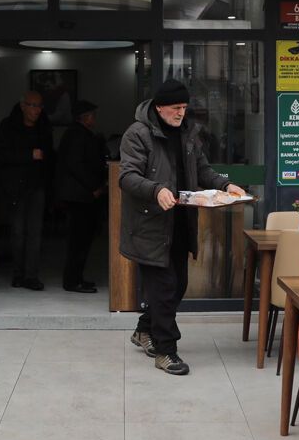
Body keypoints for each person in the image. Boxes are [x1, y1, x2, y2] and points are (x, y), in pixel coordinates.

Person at [119, 79, 245, 376]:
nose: (181, 113)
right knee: (164, 289)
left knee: (177, 286)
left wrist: (225, 185)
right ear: (159, 107)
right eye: (175, 107)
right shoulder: (138, 134)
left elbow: (202, 170)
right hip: (150, 226)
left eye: (184, 107)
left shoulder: (188, 133)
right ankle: (166, 351)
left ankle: (144, 330)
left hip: (180, 223)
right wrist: (156, 190)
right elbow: (127, 176)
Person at [0, 90, 53, 291]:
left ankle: (31, 276)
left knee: (35, 233)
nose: (36, 110)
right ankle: (18, 274)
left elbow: (50, 157)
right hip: (15, 188)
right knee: (17, 233)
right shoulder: (8, 126)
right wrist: (29, 155)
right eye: (32, 105)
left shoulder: (44, 127)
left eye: (39, 106)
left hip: (37, 187)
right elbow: (0, 156)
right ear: (23, 106)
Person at [57, 100, 108, 293]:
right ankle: (72, 281)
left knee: (82, 240)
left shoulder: (78, 134)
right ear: (85, 117)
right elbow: (76, 165)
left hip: (80, 195)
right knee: (78, 241)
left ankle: (77, 278)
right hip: (79, 196)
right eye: (93, 115)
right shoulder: (77, 135)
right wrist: (94, 187)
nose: (95, 118)